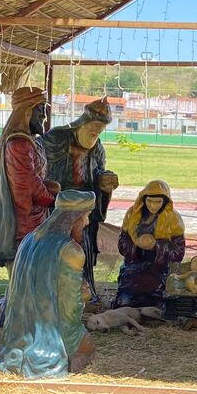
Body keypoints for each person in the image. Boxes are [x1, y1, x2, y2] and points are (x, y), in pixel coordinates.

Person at [0, 190, 98, 379]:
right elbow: (69, 310)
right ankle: (65, 358)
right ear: (75, 217)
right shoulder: (70, 251)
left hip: (14, 340)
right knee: (89, 346)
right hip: (47, 337)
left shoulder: (28, 240)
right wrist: (84, 296)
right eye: (86, 217)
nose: (87, 223)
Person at [42, 98, 119, 293]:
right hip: (57, 207)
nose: (96, 132)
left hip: (84, 210)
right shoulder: (57, 138)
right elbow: (34, 155)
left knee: (82, 251)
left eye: (101, 129)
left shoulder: (98, 148)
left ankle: (82, 291)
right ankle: (53, 290)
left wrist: (104, 181)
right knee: (56, 251)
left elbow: (98, 171)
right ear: (83, 121)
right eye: (94, 127)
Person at [0, 86, 59, 269]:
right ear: (27, 111)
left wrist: (49, 188)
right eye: (41, 108)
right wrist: (55, 199)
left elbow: (35, 180)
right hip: (25, 226)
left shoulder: (29, 142)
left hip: (36, 219)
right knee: (27, 279)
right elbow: (28, 187)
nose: (44, 116)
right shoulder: (19, 144)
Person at [113, 180, 185, 308]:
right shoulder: (132, 214)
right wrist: (136, 244)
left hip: (159, 265)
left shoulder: (173, 218)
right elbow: (123, 240)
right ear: (143, 199)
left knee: (154, 296)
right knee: (126, 298)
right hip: (135, 262)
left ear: (165, 202)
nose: (153, 206)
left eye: (158, 202)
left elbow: (178, 251)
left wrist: (156, 246)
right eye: (149, 201)